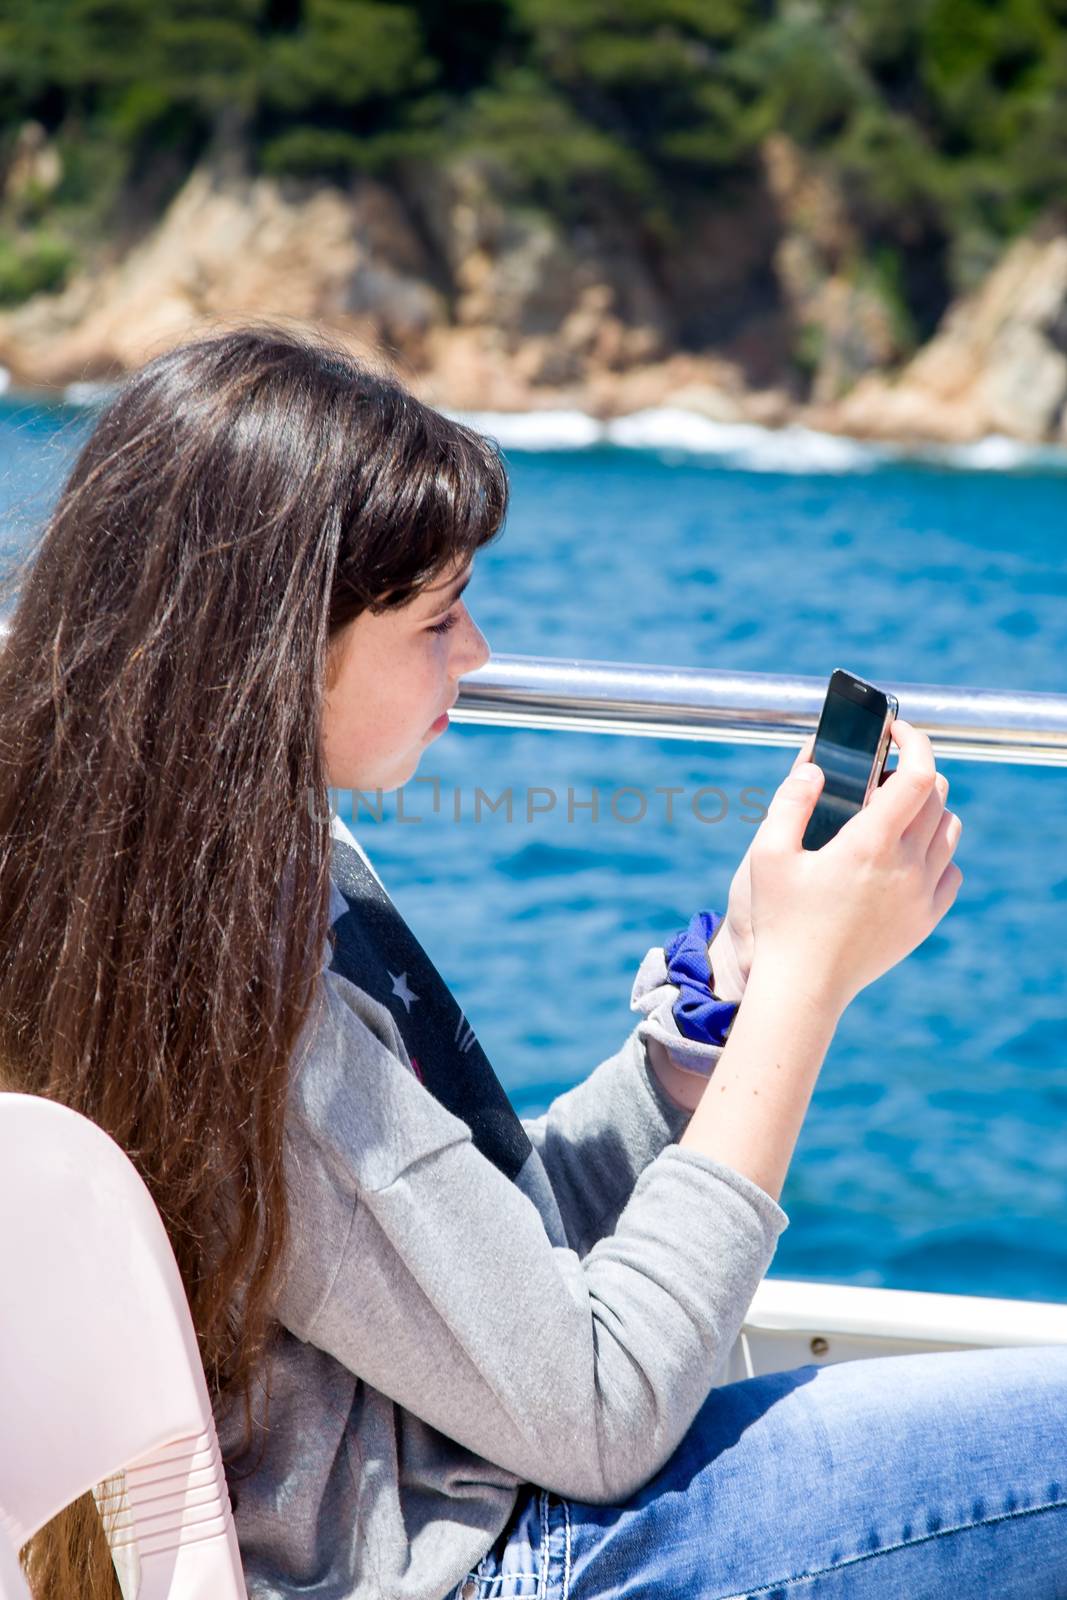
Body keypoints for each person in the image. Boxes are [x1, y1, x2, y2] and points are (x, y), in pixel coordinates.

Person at [0, 323, 1062, 1600]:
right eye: (439, 617)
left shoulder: (157, 896)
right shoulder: (244, 1001)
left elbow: (490, 1277)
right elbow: (601, 1411)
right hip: (473, 1563)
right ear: (279, 648)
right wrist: (803, 991)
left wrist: (712, 1019)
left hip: (460, 1485)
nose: (481, 656)